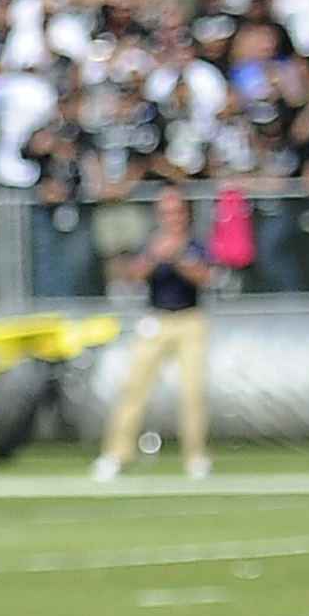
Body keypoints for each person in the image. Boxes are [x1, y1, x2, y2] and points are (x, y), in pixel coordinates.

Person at [93, 184, 215, 481]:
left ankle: (196, 455)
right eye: (165, 212)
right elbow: (133, 275)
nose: (170, 217)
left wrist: (179, 259)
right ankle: (116, 453)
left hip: (189, 319)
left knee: (192, 391)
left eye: (175, 211)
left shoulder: (194, 244)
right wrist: (155, 257)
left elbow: (206, 276)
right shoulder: (150, 243)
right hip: (156, 319)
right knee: (134, 388)